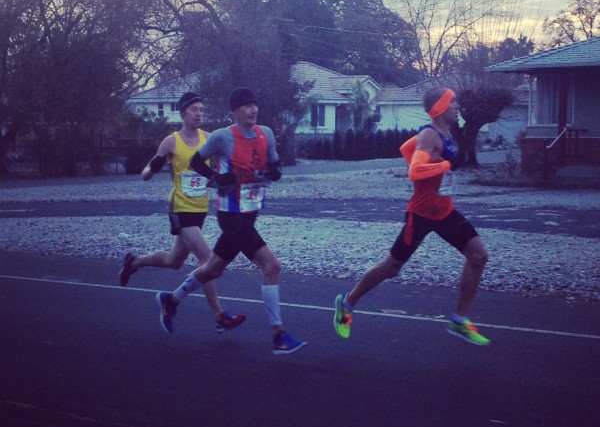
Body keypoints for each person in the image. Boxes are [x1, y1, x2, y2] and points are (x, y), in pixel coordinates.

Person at [155, 87, 307, 355]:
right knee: (272, 265)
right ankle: (278, 335)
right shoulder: (223, 137)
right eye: (247, 105)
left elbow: (275, 165)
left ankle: (171, 299)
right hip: (231, 216)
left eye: (255, 104)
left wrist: (273, 173)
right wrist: (216, 179)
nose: (253, 109)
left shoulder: (266, 134)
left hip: (250, 213)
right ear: (235, 111)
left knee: (213, 268)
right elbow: (195, 162)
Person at [333, 87, 490, 345]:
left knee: (479, 256)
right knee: (391, 267)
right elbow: (415, 171)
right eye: (453, 102)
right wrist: (444, 165)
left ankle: (459, 321)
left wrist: (432, 161)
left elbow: (407, 148)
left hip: (445, 211)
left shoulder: (441, 133)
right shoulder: (430, 135)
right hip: (421, 215)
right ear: (440, 108)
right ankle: (347, 303)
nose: (457, 106)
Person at [119, 91, 246, 334]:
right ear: (183, 113)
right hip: (179, 208)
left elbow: (223, 164)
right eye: (194, 109)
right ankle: (219, 316)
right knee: (208, 260)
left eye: (201, 109)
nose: (199, 113)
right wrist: (150, 169)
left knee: (173, 261)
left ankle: (133, 263)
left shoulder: (208, 139)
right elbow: (148, 170)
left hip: (200, 210)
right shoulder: (171, 142)